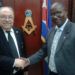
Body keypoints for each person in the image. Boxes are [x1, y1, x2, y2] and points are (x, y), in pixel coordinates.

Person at [24, 2, 75, 75]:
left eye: (58, 12)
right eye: (52, 14)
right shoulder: (50, 31)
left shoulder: (73, 29)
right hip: (51, 72)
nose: (55, 16)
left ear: (65, 12)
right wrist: (28, 61)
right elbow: (43, 51)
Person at [0, 7, 27, 75]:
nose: (7, 20)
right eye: (3, 17)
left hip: (20, 72)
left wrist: (26, 69)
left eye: (10, 17)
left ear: (13, 18)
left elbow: (23, 51)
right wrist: (13, 62)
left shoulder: (18, 32)